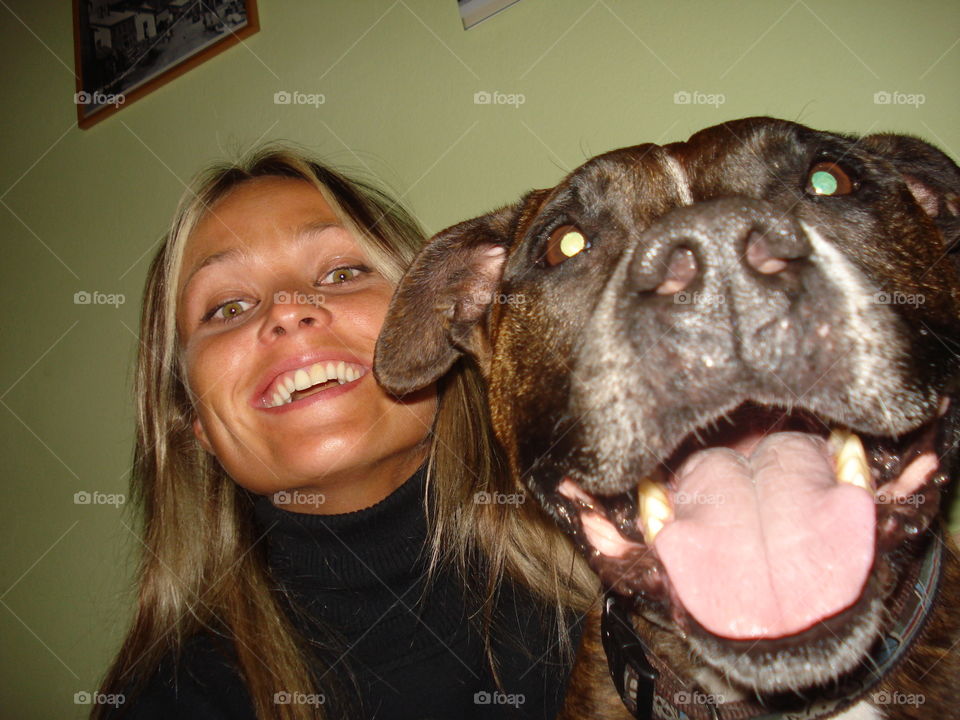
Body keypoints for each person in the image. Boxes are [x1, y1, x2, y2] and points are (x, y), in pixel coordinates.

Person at [93, 145, 597, 720]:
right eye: (229, 307)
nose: (287, 309)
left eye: (342, 272)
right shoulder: (168, 703)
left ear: (440, 322)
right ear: (197, 424)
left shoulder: (633, 568)